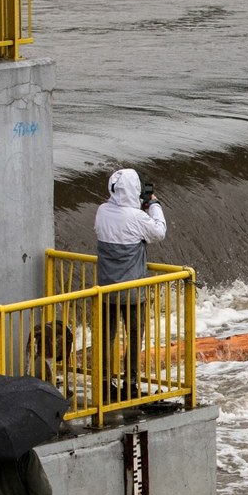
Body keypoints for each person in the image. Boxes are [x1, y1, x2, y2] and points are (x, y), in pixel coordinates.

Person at [94, 167, 167, 399]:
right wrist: (154, 205)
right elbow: (159, 233)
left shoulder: (102, 211)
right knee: (134, 336)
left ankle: (105, 381)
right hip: (133, 292)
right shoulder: (136, 218)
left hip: (106, 289)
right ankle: (131, 381)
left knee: (108, 335)